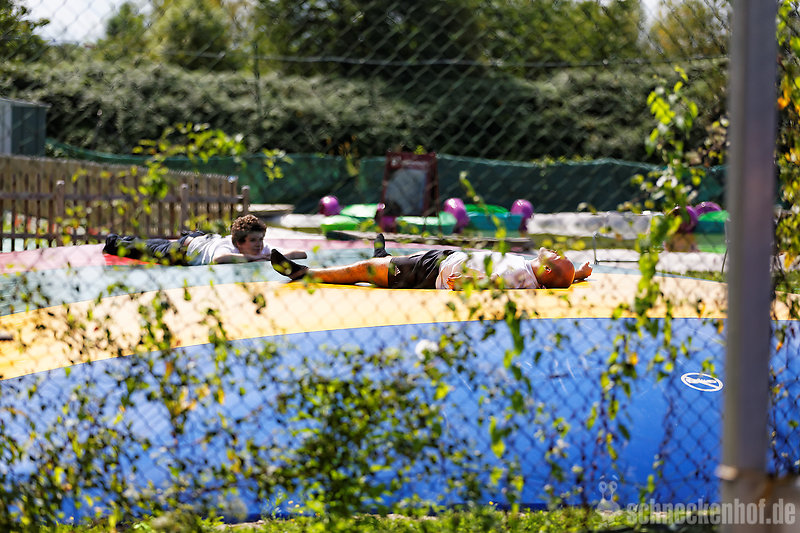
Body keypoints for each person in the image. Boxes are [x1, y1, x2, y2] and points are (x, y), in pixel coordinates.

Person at [270, 234, 591, 290]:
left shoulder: (518, 275)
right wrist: (576, 275)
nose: (556, 251)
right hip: (442, 259)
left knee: (362, 271)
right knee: (390, 262)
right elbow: (555, 278)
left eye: (558, 257)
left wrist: (473, 283)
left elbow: (495, 283)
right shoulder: (536, 275)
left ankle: (304, 273)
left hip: (430, 272)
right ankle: (384, 259)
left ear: (546, 268)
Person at [103, 214, 306, 265]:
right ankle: (114, 240)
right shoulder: (228, 248)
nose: (259, 244)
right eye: (253, 241)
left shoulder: (260, 248)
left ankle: (130, 238)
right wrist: (256, 258)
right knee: (143, 248)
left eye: (260, 239)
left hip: (200, 238)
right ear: (239, 243)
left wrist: (280, 256)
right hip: (181, 251)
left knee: (156, 242)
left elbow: (298, 253)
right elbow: (219, 259)